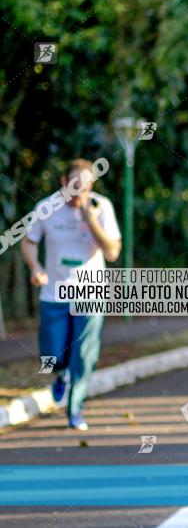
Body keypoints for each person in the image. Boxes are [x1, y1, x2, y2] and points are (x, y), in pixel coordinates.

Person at [21, 158, 121, 431]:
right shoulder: (45, 208)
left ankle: (75, 408)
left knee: (84, 355)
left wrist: (91, 219)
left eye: (86, 188)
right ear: (64, 182)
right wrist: (36, 267)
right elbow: (29, 243)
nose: (80, 194)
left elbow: (112, 252)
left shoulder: (102, 208)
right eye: (75, 187)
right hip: (54, 293)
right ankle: (60, 374)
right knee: (52, 353)